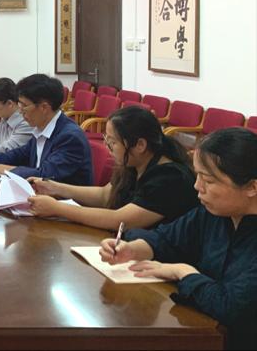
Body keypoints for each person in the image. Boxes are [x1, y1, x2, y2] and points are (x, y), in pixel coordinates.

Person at [99, 128, 257, 350]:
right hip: (203, 333)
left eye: (208, 180)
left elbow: (230, 307)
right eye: (198, 175)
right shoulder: (213, 213)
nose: (197, 186)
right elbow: (168, 239)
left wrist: (182, 271)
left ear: (252, 187)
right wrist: (132, 249)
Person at [27, 106, 197, 230]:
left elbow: (120, 220)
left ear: (140, 145)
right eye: (106, 140)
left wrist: (57, 208)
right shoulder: (134, 163)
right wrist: (54, 188)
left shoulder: (171, 178)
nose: (108, 148)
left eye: (113, 142)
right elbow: (105, 195)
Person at [0, 73, 92, 185]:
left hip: (63, 201)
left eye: (24, 106)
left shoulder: (70, 137)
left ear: (44, 107)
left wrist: (8, 169)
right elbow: (22, 153)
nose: (20, 111)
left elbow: (46, 175)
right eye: (19, 104)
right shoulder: (41, 127)